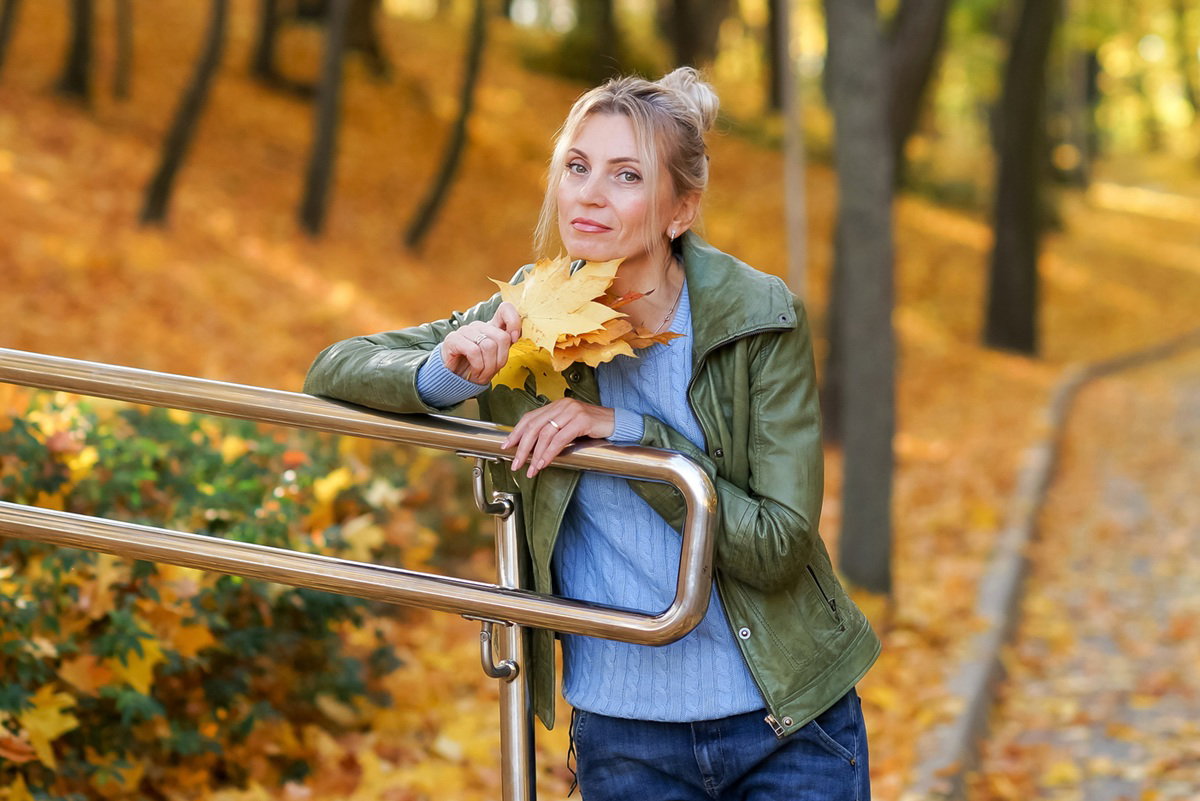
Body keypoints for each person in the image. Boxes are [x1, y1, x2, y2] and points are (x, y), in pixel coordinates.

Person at [304, 67, 880, 801]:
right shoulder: (531, 310)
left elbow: (775, 544)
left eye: (626, 175)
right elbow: (334, 365)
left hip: (787, 719)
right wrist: (452, 372)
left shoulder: (757, 318)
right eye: (577, 166)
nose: (590, 193)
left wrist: (630, 435)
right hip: (625, 733)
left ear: (681, 209)